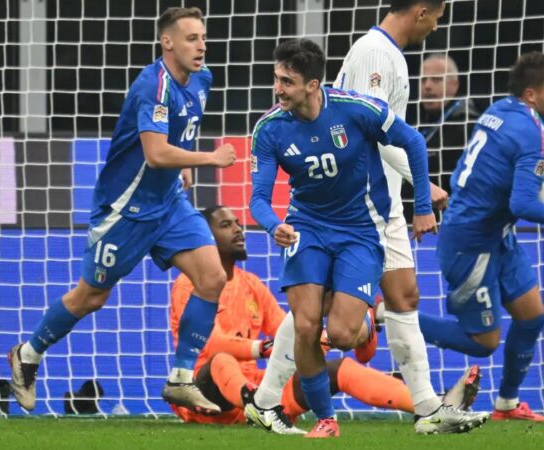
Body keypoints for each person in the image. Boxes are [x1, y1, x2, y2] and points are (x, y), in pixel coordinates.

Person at [246, 38, 484, 438]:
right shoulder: (270, 128)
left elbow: (412, 142)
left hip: (360, 232)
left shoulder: (356, 110)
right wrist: (274, 226)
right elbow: (257, 198)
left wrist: (422, 205)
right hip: (307, 229)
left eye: (287, 81)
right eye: (277, 78)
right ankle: (326, 420)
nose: (278, 89)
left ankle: (365, 329)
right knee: (306, 324)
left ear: (313, 84)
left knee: (340, 335)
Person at [6, 7, 237, 415]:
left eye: (203, 37)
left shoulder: (202, 79)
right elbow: (155, 151)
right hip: (125, 211)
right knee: (91, 297)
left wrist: (182, 164)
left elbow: (178, 133)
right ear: (167, 42)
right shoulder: (153, 86)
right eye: (190, 38)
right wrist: (208, 159)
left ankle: (181, 378)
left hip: (167, 205)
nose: (201, 46)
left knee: (213, 276)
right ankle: (28, 354)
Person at [418, 52, 544, 421]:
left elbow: (513, 168)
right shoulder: (535, 133)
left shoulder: (501, 110)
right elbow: (522, 201)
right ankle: (387, 317)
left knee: (532, 315)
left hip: (496, 234)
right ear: (531, 95)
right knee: (483, 342)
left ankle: (507, 404)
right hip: (470, 241)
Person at [329, 0, 488, 433]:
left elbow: (383, 135)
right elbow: (373, 136)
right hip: (361, 202)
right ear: (420, 11)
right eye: (436, 17)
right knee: (327, 317)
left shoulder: (386, 54)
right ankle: (267, 398)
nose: (436, 27)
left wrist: (422, 186)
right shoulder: (377, 55)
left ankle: (427, 410)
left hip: (380, 198)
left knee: (404, 297)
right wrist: (421, 190)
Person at [169, 205, 418, 433]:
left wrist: (332, 337)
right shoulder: (189, 285)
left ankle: (425, 404)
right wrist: (262, 348)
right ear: (207, 239)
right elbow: (210, 345)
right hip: (207, 396)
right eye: (226, 225)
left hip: (256, 386)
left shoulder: (251, 284)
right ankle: (257, 406)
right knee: (222, 361)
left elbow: (289, 330)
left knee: (342, 368)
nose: (238, 230)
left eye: (237, 223)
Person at [401, 54, 481, 221]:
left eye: (436, 80)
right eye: (423, 80)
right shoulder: (412, 122)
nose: (427, 86)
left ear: (454, 85)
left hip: (448, 222)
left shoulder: (469, 127)